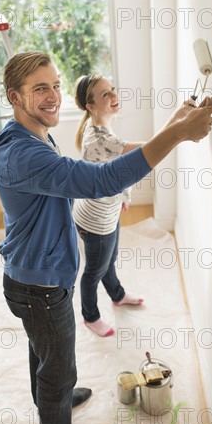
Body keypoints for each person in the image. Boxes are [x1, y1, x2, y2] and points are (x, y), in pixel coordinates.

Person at [0, 51, 212, 424]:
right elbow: (100, 179)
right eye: (41, 89)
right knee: (58, 366)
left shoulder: (32, 133)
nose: (54, 96)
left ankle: (51, 395)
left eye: (55, 84)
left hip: (36, 277)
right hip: (39, 286)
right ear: (14, 97)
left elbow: (99, 171)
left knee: (45, 353)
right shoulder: (25, 153)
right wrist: (178, 135)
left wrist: (175, 126)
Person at [73, 74, 146, 337]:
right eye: (105, 94)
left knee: (109, 260)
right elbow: (137, 153)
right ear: (90, 106)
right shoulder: (97, 138)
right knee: (94, 270)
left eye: (112, 89)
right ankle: (90, 316)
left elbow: (116, 168)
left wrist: (123, 197)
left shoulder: (104, 128)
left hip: (108, 211)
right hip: (96, 220)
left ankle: (117, 294)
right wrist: (176, 133)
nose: (114, 96)